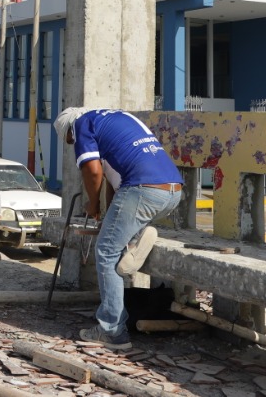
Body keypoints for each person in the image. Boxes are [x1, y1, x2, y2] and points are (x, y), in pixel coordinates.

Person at [55, 106, 183, 350]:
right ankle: (135, 240)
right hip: (171, 193)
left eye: (70, 141)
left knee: (105, 251)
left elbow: (93, 172)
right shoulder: (120, 118)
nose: (74, 145)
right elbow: (115, 181)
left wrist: (92, 205)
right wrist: (108, 216)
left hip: (142, 191)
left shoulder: (81, 123)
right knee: (115, 240)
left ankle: (112, 330)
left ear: (68, 129)